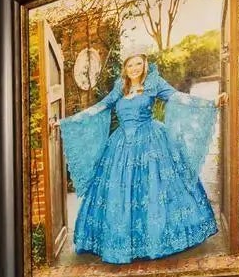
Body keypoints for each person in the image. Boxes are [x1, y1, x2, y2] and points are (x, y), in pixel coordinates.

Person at [56, 52, 219, 263]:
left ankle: (157, 240)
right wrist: (66, 122)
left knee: (155, 188)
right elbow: (100, 107)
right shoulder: (120, 87)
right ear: (125, 68)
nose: (134, 68)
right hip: (121, 145)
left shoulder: (154, 83)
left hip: (152, 142)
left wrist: (211, 102)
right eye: (130, 65)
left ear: (144, 66)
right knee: (118, 191)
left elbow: (177, 97)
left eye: (138, 64)